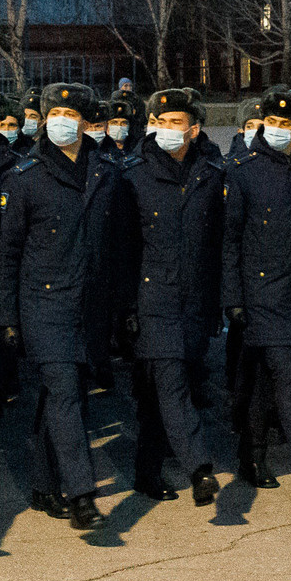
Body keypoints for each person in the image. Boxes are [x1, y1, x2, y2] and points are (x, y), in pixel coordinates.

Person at [0, 81, 116, 530]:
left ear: (85, 122)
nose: (62, 121)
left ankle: (44, 485)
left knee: (64, 395)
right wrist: (5, 315)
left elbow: (117, 246)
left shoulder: (105, 172)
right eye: (53, 114)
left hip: (90, 306)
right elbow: (6, 253)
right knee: (65, 393)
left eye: (71, 115)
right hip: (44, 304)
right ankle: (82, 495)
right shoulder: (24, 177)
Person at [107, 86, 223, 506]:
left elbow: (217, 246)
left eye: (176, 123)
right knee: (172, 384)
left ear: (194, 129)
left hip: (194, 302)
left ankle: (146, 471)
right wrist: (125, 308)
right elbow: (122, 249)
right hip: (151, 302)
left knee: (166, 391)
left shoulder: (210, 173)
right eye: (159, 122)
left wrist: (217, 303)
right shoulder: (132, 174)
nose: (166, 130)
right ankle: (200, 469)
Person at [219, 85, 291, 498]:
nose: (279, 130)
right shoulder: (243, 170)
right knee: (289, 375)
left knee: (264, 381)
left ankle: (252, 455)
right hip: (260, 294)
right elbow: (229, 239)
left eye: (287, 124)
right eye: (273, 122)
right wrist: (231, 297)